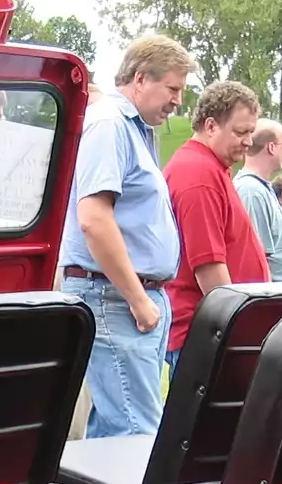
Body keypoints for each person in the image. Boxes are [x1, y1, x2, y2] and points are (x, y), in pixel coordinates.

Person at [58, 36, 195, 437]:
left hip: (126, 298)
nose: (178, 101)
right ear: (140, 79)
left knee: (112, 433)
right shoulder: (110, 125)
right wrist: (138, 299)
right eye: (172, 88)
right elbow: (94, 219)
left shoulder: (133, 129)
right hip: (116, 299)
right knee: (136, 435)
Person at [162, 80, 267, 370]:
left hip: (214, 330)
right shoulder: (198, 175)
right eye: (241, 132)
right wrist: (236, 327)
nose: (249, 142)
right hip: (209, 334)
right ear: (211, 126)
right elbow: (208, 267)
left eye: (251, 132)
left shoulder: (210, 168)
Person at [235, 118, 282, 283]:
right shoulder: (251, 191)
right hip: (272, 295)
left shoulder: (261, 188)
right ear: (271, 147)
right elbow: (255, 258)